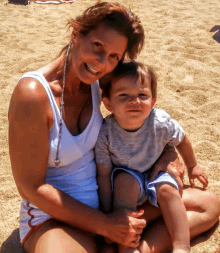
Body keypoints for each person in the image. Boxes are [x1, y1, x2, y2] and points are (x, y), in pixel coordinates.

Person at [7, 2, 219, 253]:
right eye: (97, 46)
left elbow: (139, 121)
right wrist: (105, 225)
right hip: (59, 218)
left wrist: (167, 154)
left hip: (114, 204)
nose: (101, 62)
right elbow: (30, 187)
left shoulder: (100, 83)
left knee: (208, 204)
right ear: (76, 34)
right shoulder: (33, 94)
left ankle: (142, 249)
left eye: (113, 57)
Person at [95, 61, 209, 253]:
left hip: (155, 170)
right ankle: (127, 246)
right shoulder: (105, 133)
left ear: (153, 101)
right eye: (124, 95)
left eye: (142, 95)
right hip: (127, 175)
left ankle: (181, 246)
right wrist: (107, 213)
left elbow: (181, 139)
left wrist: (192, 166)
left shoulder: (160, 121)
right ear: (108, 103)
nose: (135, 101)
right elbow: (104, 174)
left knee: (168, 189)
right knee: (124, 182)